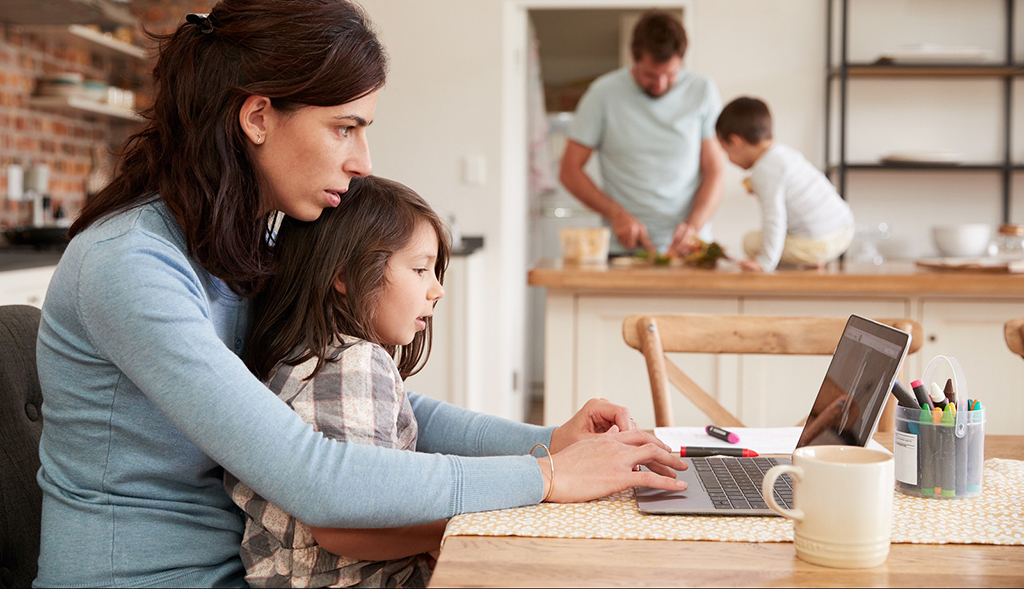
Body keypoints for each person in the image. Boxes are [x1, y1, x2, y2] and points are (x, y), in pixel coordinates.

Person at [33, 2, 687, 587]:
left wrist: (548, 442)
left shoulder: (242, 244)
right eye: (346, 127)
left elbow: (377, 400)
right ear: (258, 116)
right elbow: (316, 475)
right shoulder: (132, 266)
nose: (363, 160)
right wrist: (546, 478)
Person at [225, 176, 450, 587]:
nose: (436, 289)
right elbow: (348, 525)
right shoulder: (354, 362)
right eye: (420, 269)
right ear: (344, 275)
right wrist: (459, 526)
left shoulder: (299, 355)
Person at [559, 9, 725, 257]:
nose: (659, 85)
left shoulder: (702, 91)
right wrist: (615, 213)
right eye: (650, 75)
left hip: (688, 249)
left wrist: (693, 226)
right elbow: (569, 171)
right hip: (623, 249)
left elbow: (715, 170)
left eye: (669, 75)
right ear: (633, 57)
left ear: (681, 60)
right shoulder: (602, 94)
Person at [715, 97, 855, 272]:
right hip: (844, 231)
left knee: (751, 242)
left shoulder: (764, 170)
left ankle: (810, 257)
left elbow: (774, 218)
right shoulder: (783, 155)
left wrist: (764, 261)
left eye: (725, 150)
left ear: (735, 142)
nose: (729, 158)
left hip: (819, 243)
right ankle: (812, 259)